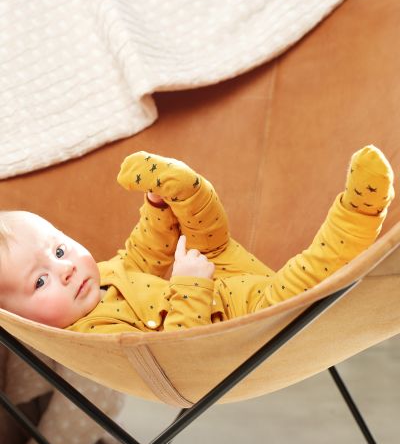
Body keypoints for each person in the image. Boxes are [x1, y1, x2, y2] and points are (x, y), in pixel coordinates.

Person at [0, 146, 394, 333]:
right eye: (40, 281)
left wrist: (157, 207)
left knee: (206, 239)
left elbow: (144, 253)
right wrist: (189, 284)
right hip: (248, 323)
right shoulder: (93, 335)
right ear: (17, 321)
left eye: (59, 250)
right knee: (306, 277)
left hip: (220, 272)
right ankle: (359, 212)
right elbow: (173, 353)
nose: (66, 270)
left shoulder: (103, 274)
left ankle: (181, 187)